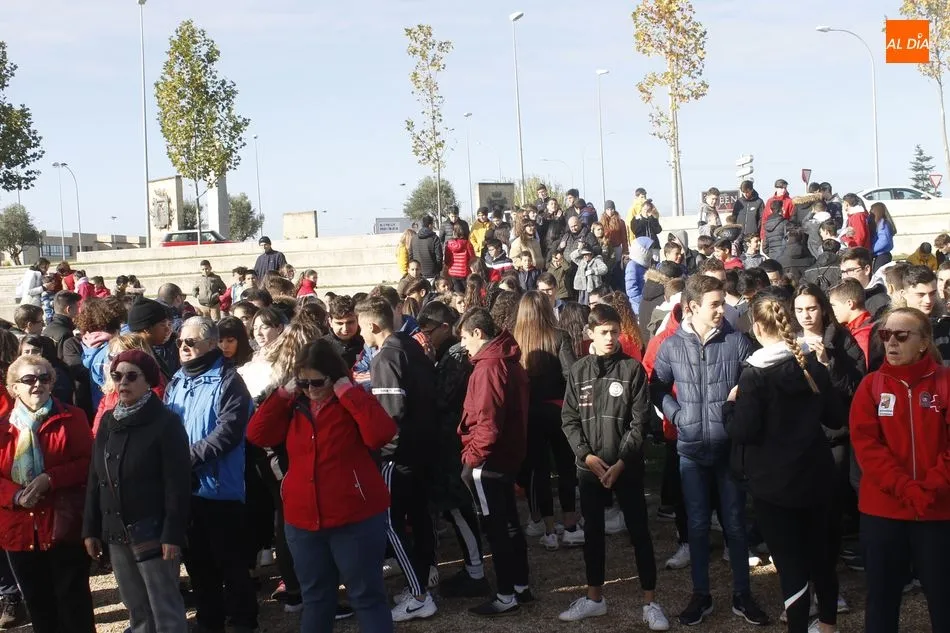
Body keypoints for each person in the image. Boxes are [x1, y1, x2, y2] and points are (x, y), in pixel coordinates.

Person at [248, 340, 397, 632]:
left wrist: (349, 393)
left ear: (334, 377)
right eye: (303, 382)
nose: (310, 390)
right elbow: (257, 434)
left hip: (354, 517)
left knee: (365, 595)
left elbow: (381, 434)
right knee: (316, 598)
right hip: (304, 520)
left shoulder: (353, 400)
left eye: (317, 382)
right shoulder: (294, 405)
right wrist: (282, 395)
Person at [649, 275, 769, 626]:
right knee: (698, 525)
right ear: (692, 307)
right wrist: (678, 415)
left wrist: (739, 414)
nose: (721, 310)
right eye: (715, 304)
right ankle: (700, 595)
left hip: (729, 450)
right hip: (690, 451)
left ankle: (742, 595)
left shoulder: (738, 342)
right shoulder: (671, 346)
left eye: (722, 303)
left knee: (735, 524)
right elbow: (657, 387)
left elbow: (757, 384)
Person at [725, 291, 843, 633]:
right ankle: (828, 625)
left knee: (791, 567)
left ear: (757, 329)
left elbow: (743, 431)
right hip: (817, 476)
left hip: (774, 485)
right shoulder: (811, 365)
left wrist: (729, 406)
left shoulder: (755, 375)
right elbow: (836, 418)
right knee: (822, 559)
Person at [560, 303, 670, 629]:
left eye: (614, 331)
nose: (610, 338)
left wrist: (622, 461)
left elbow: (639, 423)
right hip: (590, 468)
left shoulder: (632, 369)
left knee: (639, 532)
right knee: (593, 534)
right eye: (603, 332)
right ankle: (594, 598)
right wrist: (586, 456)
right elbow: (569, 419)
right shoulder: (578, 371)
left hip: (626, 467)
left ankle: (650, 602)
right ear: (590, 333)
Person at [850, 308, 950, 633]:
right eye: (885, 335)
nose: (891, 342)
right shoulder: (870, 386)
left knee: (944, 597)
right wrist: (905, 488)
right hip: (884, 511)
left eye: (901, 335)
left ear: (923, 343)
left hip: (937, 510)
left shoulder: (945, 382)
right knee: (882, 598)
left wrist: (932, 486)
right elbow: (867, 447)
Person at [83, 350, 191, 633]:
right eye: (117, 376)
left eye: (132, 376)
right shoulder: (108, 421)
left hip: (153, 530)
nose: (123, 382)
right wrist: (90, 528)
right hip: (116, 529)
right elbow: (95, 477)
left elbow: (177, 484)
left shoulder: (166, 422)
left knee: (165, 607)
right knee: (136, 607)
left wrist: (172, 533)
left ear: (148, 381)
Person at [163, 317, 259, 633]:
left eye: (190, 342)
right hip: (186, 490)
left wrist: (185, 459)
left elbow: (228, 432)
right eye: (180, 342)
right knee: (198, 565)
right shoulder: (176, 381)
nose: (183, 347)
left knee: (231, 564)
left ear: (210, 343)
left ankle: (244, 622)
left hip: (220, 489)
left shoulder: (229, 381)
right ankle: (209, 622)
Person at [355, 297, 439, 621]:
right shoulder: (411, 347)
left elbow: (391, 416)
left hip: (399, 455)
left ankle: (419, 595)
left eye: (361, 327)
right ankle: (420, 582)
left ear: (373, 325)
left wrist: (383, 452)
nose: (360, 334)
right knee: (419, 516)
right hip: (423, 449)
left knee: (390, 522)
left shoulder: (385, 358)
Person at [0, 356, 94, 633]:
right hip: (20, 530)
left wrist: (50, 479)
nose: (37, 384)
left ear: (52, 383)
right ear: (14, 388)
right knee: (39, 606)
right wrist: (16, 495)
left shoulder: (73, 417)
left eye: (44, 378)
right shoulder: (3, 428)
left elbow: (89, 464)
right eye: (28, 379)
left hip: (63, 525)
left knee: (74, 605)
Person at [457, 308, 532, 616]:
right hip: (505, 457)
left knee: (496, 527)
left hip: (488, 461)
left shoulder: (489, 367)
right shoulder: (505, 360)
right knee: (509, 523)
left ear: (478, 333)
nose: (463, 344)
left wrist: (472, 460)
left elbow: (488, 422)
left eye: (465, 337)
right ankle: (520, 586)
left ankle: (505, 594)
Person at [512, 292, 582, 550]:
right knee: (566, 467)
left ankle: (549, 529)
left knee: (539, 470)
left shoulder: (516, 341)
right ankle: (571, 525)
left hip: (529, 413)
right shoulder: (559, 336)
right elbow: (571, 373)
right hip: (558, 410)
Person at [127, 296, 178, 380]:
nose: (168, 329)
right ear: (147, 329)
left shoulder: (149, 352)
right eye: (163, 325)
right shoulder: (134, 360)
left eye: (169, 325)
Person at [829, 279, 875, 366]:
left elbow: (865, 368)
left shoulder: (863, 335)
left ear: (849, 303)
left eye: (833, 305)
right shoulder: (870, 323)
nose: (832, 311)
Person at [19, 335, 73, 405]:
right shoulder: (18, 371)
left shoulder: (56, 373)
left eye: (35, 351)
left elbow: (60, 399)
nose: (31, 354)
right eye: (26, 352)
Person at [445, 222, 477, 292]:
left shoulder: (449, 244)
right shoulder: (467, 244)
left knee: (458, 293)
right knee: (467, 292)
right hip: (465, 272)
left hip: (453, 272)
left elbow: (447, 260)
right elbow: (472, 259)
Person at [409, 215, 443, 280]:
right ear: (430, 225)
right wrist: (438, 269)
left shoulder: (414, 238)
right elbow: (439, 256)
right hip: (432, 273)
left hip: (417, 273)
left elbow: (411, 256)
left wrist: (413, 270)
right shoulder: (434, 238)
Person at [870, 202, 896, 272]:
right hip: (879, 254)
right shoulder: (879, 223)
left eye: (872, 210)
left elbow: (884, 241)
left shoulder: (883, 224)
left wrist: (871, 250)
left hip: (882, 254)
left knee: (879, 274)